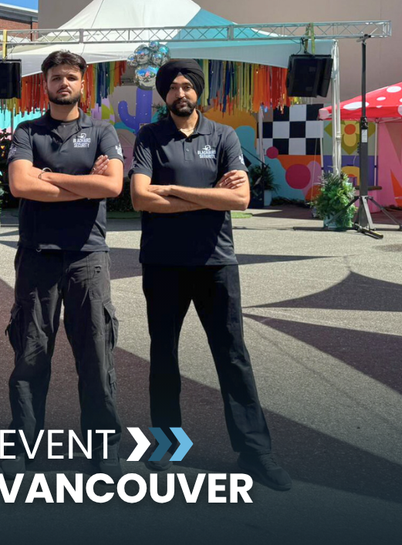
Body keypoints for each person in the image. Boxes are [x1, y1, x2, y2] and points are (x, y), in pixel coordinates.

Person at [129, 59, 292, 491]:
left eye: (187, 86)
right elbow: (141, 198)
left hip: (216, 262)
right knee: (164, 356)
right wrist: (210, 195)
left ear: (198, 91)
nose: (180, 93)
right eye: (173, 87)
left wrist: (172, 189)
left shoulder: (222, 135)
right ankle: (167, 445)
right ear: (164, 94)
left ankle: (255, 452)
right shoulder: (150, 137)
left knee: (233, 356)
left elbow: (239, 199)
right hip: (163, 263)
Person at [5, 50, 125, 477]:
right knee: (31, 354)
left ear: (82, 83)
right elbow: (20, 185)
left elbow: (113, 186)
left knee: (96, 354)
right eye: (56, 77)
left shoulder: (102, 131)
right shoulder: (27, 131)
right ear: (45, 84)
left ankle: (103, 447)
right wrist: (84, 183)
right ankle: (23, 445)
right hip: (37, 256)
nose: (64, 84)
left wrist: (47, 176)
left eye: (71, 77)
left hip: (88, 256)